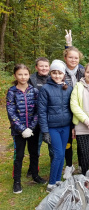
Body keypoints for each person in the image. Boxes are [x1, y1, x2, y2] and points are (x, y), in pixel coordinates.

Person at [6, 64, 46, 194]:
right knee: (19, 155)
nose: (23, 77)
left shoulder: (34, 91)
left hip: (33, 129)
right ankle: (16, 181)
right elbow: (11, 112)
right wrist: (22, 129)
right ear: (15, 76)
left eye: (25, 74)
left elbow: (38, 110)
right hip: (18, 132)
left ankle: (35, 175)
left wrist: (31, 127)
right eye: (20, 74)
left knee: (34, 153)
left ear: (29, 75)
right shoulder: (12, 92)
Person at [38, 60, 73, 192]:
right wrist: (45, 131)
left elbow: (71, 107)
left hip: (65, 126)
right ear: (50, 73)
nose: (57, 75)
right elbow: (41, 111)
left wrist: (73, 126)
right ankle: (51, 184)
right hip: (52, 127)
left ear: (64, 74)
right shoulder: (45, 89)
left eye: (59, 73)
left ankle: (58, 180)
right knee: (57, 154)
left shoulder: (68, 88)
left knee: (62, 152)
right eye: (54, 73)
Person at [62, 39, 85, 179]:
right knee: (68, 141)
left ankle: (83, 163)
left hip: (81, 110)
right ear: (65, 58)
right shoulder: (60, 71)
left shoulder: (82, 71)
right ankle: (69, 165)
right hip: (65, 110)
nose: (73, 60)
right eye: (70, 57)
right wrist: (68, 44)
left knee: (82, 138)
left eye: (76, 57)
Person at [28, 57, 53, 178]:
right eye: (41, 66)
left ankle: (54, 164)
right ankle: (33, 167)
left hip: (51, 117)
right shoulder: (31, 79)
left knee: (51, 143)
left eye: (46, 66)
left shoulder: (52, 78)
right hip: (35, 117)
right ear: (36, 67)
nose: (44, 68)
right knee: (36, 145)